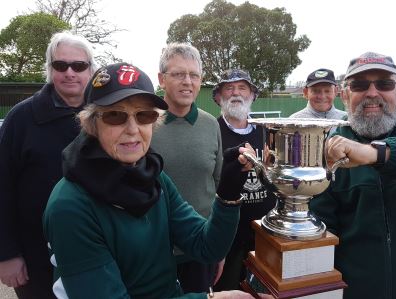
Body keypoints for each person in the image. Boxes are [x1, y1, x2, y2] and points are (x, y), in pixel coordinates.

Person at [42, 62, 255, 299]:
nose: (133, 129)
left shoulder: (154, 177)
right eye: (115, 115)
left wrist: (228, 194)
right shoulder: (70, 206)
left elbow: (206, 246)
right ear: (91, 124)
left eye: (144, 115)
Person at [310, 52, 396, 299]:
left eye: (384, 84)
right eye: (360, 85)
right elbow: (321, 232)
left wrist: (379, 154)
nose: (372, 93)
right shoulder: (329, 151)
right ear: (344, 96)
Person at [0, 31, 97, 299]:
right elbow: (2, 187)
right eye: (60, 65)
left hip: (94, 252)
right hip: (36, 257)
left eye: (78, 66)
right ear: (49, 68)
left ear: (91, 69)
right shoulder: (21, 118)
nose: (70, 72)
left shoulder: (105, 116)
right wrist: (6, 253)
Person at [152, 43, 223, 293]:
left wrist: (217, 247)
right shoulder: (143, 124)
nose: (187, 81)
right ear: (161, 79)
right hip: (153, 251)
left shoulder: (211, 124)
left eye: (193, 75)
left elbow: (216, 187)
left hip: (199, 249)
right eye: (178, 74)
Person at [212, 69, 277, 291]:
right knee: (228, 291)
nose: (236, 93)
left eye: (242, 88)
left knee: (265, 290)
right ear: (219, 97)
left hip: (264, 235)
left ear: (252, 95)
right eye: (229, 88)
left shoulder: (267, 131)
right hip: (227, 237)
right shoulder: (212, 130)